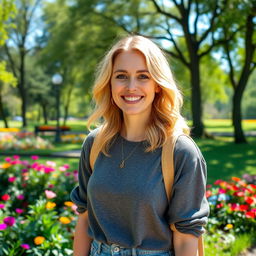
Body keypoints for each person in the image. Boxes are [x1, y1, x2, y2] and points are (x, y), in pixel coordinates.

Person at [70, 35, 209, 256]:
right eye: (121, 76)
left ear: (157, 85)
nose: (131, 86)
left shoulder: (181, 152)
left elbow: (185, 238)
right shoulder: (95, 144)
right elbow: (85, 217)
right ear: (110, 83)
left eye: (143, 76)